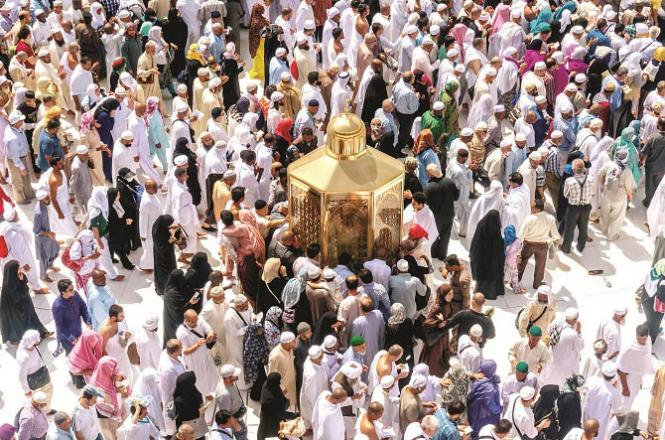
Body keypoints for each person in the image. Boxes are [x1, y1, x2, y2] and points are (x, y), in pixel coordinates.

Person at [0, 260, 51, 344]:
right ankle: (33, 339)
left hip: (27, 306)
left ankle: (42, 333)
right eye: (18, 268)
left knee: (34, 320)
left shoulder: (18, 277)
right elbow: (21, 293)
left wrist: (22, 280)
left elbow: (25, 286)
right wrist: (22, 282)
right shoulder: (9, 287)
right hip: (19, 312)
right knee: (26, 325)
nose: (20, 269)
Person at [518, 198, 561, 289]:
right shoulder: (550, 218)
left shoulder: (529, 218)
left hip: (528, 245)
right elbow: (556, 235)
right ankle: (537, 284)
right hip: (542, 246)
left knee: (522, 263)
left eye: (533, 207)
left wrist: (518, 247)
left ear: (537, 208)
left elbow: (521, 234)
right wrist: (549, 240)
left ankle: (516, 281)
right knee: (540, 266)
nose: (531, 208)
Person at [469, 210, 505, 299]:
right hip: (493, 259)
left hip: (482, 257)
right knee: (492, 274)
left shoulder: (481, 225)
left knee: (482, 275)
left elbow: (475, 242)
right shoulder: (496, 229)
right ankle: (490, 293)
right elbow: (499, 246)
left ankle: (480, 291)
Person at [561, 159, 595, 254]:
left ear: (573, 169)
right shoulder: (590, 179)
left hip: (573, 208)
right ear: (583, 169)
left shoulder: (569, 181)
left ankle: (566, 247)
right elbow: (593, 193)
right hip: (586, 207)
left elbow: (565, 194)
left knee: (569, 229)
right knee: (584, 227)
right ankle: (580, 247)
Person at [583, 361, 622, 440]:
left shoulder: (592, 380)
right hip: (600, 428)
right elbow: (616, 410)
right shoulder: (614, 393)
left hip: (586, 420)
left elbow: (584, 392)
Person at [52, 279, 92, 355]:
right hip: (67, 338)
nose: (73, 290)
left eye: (73, 288)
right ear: (63, 292)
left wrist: (87, 321)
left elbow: (83, 307)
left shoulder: (75, 294)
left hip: (78, 330)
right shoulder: (57, 307)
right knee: (73, 355)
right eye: (70, 290)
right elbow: (60, 326)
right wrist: (72, 339)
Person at [257, 372, 297, 440]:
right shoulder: (271, 399)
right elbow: (280, 413)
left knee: (262, 434)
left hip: (265, 420)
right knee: (280, 432)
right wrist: (295, 415)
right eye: (278, 381)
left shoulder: (267, 384)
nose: (279, 383)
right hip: (272, 421)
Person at [173, 371, 210, 439]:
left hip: (196, 426)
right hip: (189, 428)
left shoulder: (189, 390)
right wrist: (200, 410)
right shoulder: (180, 401)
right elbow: (183, 416)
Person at [215, 364, 248, 440]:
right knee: (242, 434)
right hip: (235, 418)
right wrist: (236, 426)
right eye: (234, 375)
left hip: (237, 414)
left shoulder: (229, 382)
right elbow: (226, 415)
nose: (237, 376)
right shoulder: (224, 395)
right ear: (228, 378)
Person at [152, 215, 179, 295]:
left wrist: (171, 229)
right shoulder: (159, 235)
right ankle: (165, 289)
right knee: (165, 274)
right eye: (169, 224)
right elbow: (161, 248)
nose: (170, 226)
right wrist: (171, 240)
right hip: (163, 259)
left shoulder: (159, 227)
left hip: (167, 255)